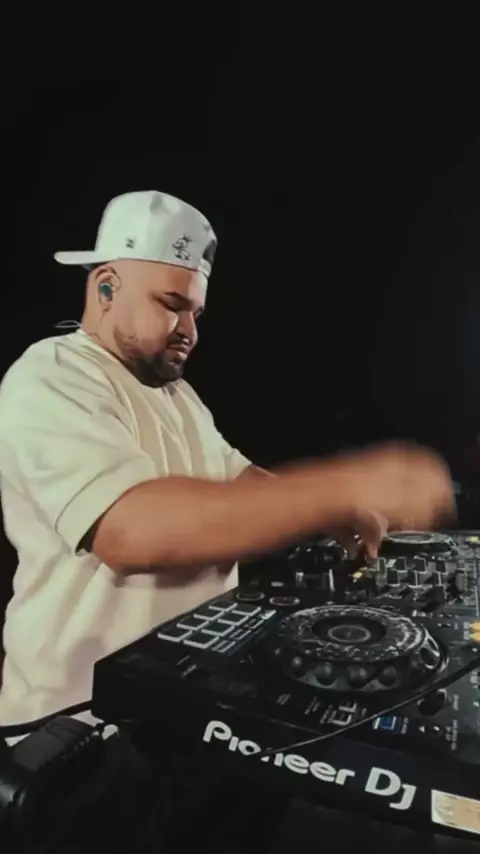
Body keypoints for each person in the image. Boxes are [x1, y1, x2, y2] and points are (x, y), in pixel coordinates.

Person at [0, 190, 454, 726]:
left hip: (174, 708)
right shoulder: (51, 376)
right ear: (105, 287)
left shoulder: (177, 395)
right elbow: (130, 530)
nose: (189, 330)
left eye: (195, 312)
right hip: (78, 725)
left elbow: (238, 480)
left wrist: (333, 513)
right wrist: (342, 485)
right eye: (171, 304)